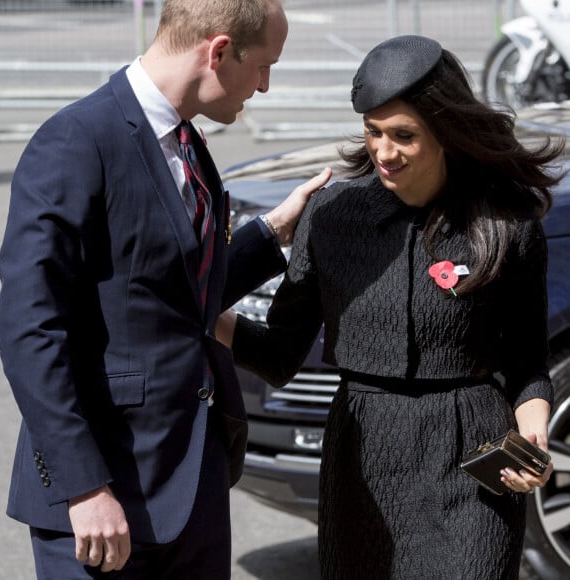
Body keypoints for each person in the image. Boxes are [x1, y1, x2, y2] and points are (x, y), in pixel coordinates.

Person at [0, 0, 331, 578]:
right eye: (264, 66)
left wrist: (272, 232)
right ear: (219, 51)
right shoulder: (76, 140)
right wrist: (83, 488)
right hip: (103, 500)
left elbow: (170, 293)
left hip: (191, 483)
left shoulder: (187, 140)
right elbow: (29, 328)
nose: (266, 86)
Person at [217, 35, 564, 579]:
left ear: (447, 133)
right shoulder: (332, 216)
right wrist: (197, 313)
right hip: (362, 460)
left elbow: (526, 364)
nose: (383, 151)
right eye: (373, 132)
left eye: (404, 136)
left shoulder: (507, 224)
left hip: (472, 467)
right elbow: (281, 352)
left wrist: (531, 434)